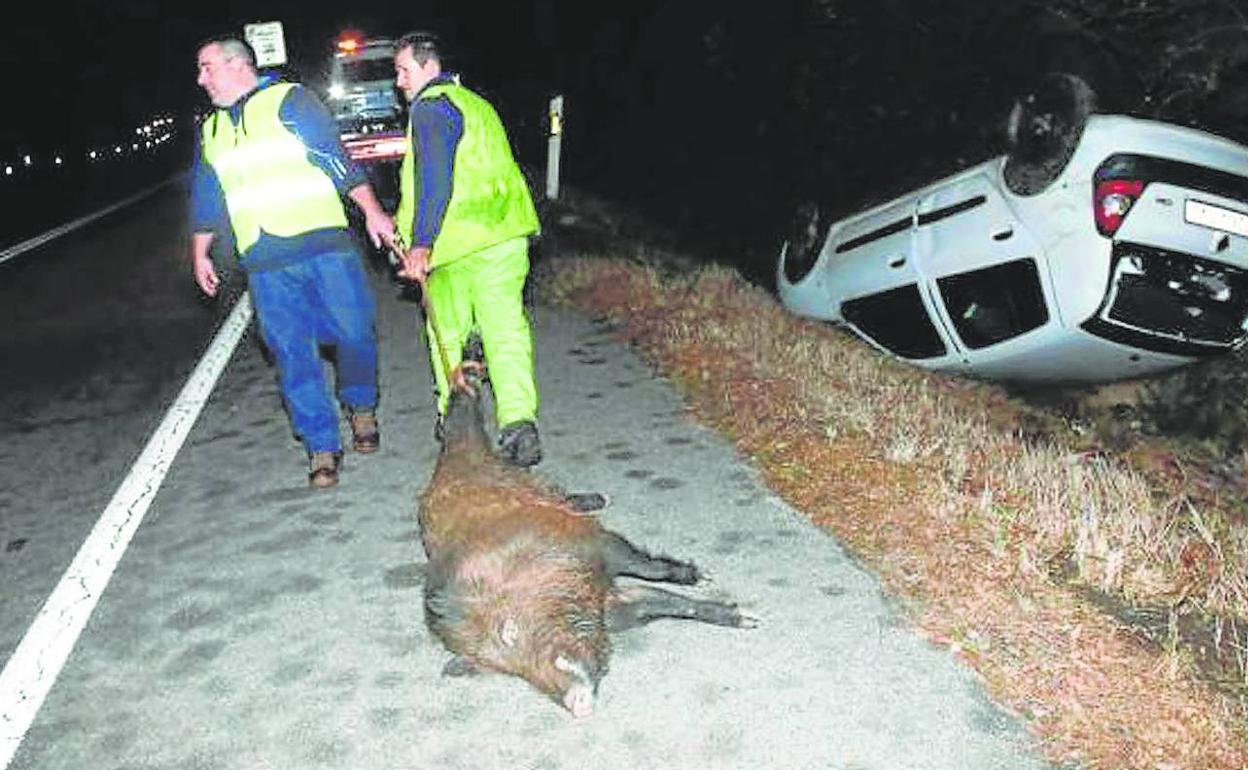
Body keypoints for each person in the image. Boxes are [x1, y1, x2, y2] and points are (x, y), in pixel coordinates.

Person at [190, 36, 395, 488]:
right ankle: (321, 445)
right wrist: (200, 250)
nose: (201, 79)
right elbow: (209, 193)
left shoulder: (290, 100)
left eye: (207, 67)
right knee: (291, 353)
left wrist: (373, 211)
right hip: (264, 259)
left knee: (354, 331)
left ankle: (360, 404)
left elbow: (333, 158)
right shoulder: (212, 130)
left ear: (237, 65)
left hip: (323, 244)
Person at [391, 31, 543, 467]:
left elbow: (434, 179)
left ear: (428, 66)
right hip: (505, 234)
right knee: (505, 330)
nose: (399, 82)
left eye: (403, 70)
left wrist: (421, 244)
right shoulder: (476, 104)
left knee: (448, 336)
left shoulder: (430, 108)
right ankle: (519, 425)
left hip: (455, 243)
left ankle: (457, 426)